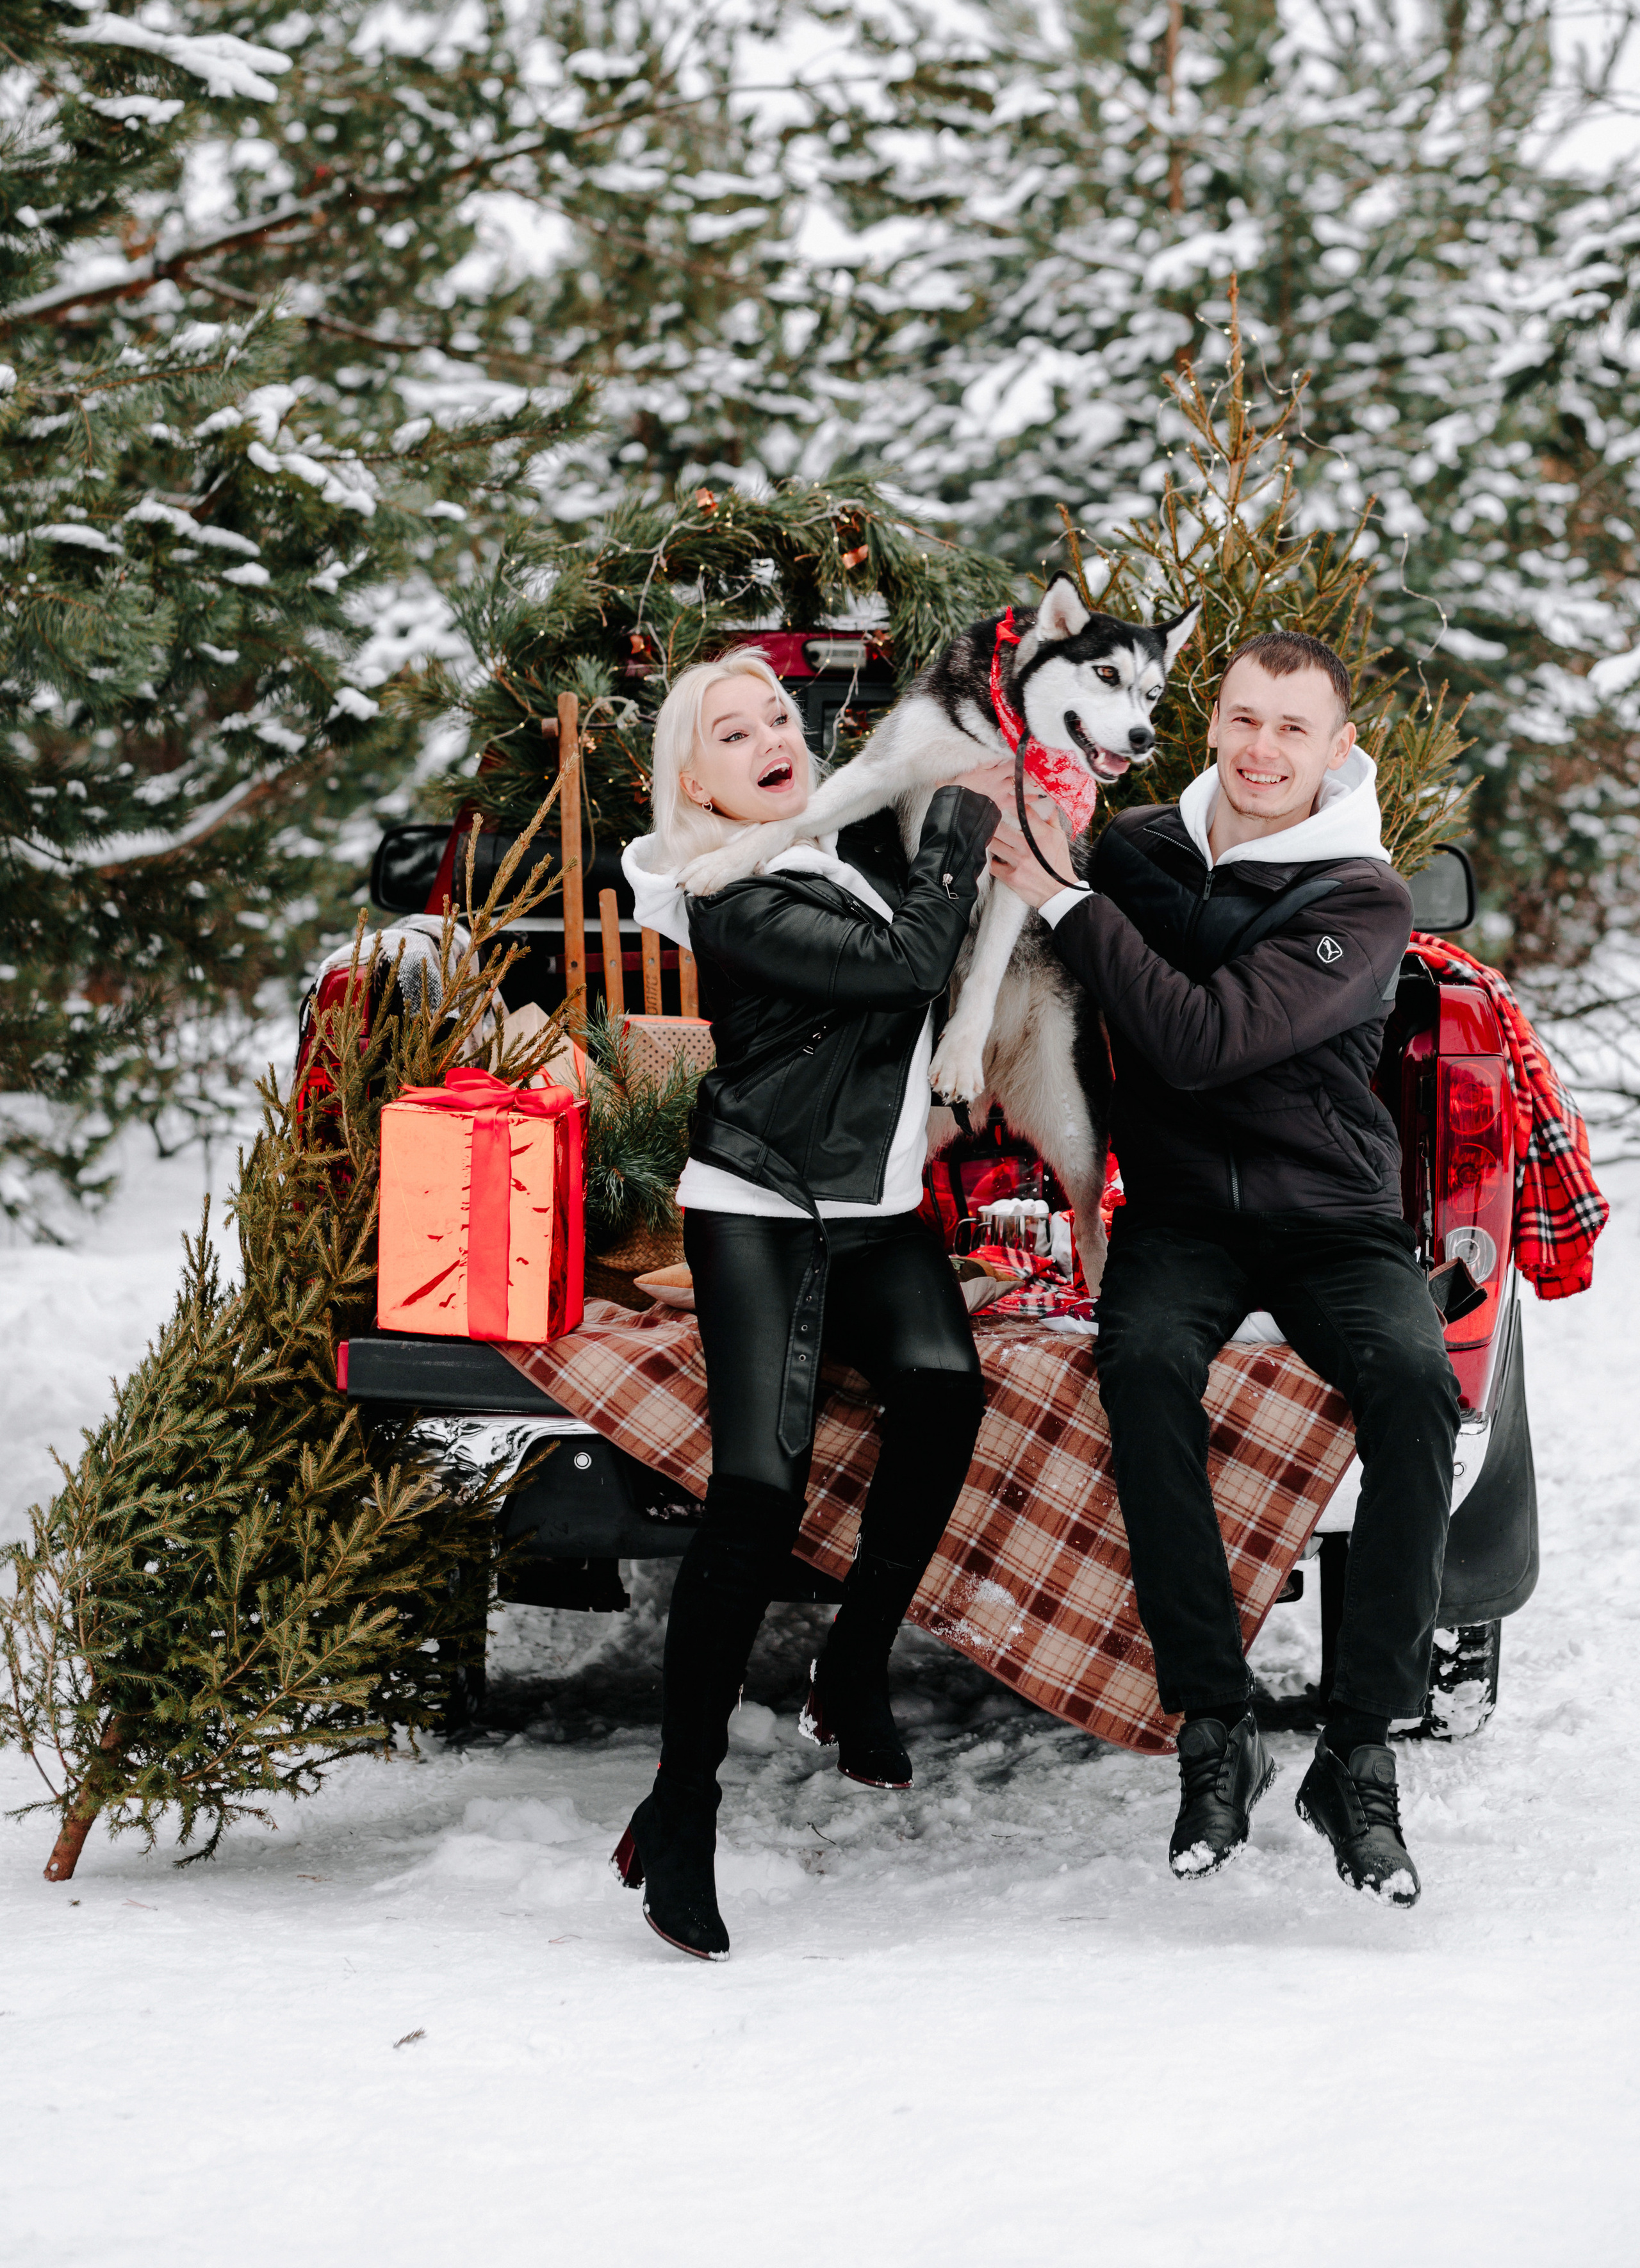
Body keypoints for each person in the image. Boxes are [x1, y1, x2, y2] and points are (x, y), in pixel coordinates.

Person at [987, 629, 1459, 1908]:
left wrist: (1072, 904)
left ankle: (1356, 1753)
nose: (1260, 749)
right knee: (1137, 1365)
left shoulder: (1360, 898)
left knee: (1415, 1389)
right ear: (1213, 724)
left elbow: (1200, 1042)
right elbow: (1050, 960)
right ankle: (1214, 1729)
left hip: (1328, 1217)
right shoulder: (1135, 848)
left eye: (1290, 729)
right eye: (1242, 719)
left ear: (1335, 749)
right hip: (1182, 1216)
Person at [612, 653, 1007, 1959]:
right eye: (733, 731)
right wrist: (962, 811)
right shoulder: (721, 893)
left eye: (778, 716)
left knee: (943, 1391)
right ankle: (677, 1812)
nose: (769, 737)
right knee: (756, 1495)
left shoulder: (811, 853)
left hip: (874, 1207)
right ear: (693, 778)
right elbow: (906, 968)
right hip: (760, 1207)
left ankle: (852, 1668)